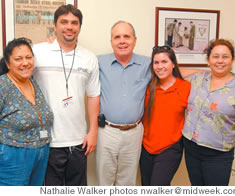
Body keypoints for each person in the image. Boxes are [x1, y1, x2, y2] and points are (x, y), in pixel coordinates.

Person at [32, 4, 100, 186]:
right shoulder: (37, 52)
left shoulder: (89, 57)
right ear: (55, 26)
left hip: (79, 141)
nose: (69, 27)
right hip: (46, 141)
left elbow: (94, 96)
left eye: (74, 23)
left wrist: (93, 131)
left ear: (79, 27)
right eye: (64, 22)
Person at [0, 37, 54, 186]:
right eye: (18, 59)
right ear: (8, 63)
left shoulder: (32, 82)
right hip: (5, 162)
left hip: (36, 160)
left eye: (28, 57)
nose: (25, 63)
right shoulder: (0, 87)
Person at [182, 39, 235, 186]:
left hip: (218, 154)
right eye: (215, 57)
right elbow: (174, 70)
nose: (220, 61)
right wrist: (204, 71)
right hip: (191, 148)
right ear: (208, 59)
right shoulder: (197, 79)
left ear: (232, 59)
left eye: (225, 57)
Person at [96, 21, 151, 186]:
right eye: (117, 37)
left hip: (134, 132)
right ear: (111, 41)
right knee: (104, 181)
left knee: (127, 182)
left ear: (135, 40)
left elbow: (173, 70)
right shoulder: (97, 62)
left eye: (126, 36)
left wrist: (209, 73)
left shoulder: (148, 64)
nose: (122, 41)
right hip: (106, 132)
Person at [140, 45, 191, 186]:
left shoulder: (186, 87)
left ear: (173, 64)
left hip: (170, 148)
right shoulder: (148, 87)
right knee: (146, 186)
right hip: (146, 147)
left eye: (164, 62)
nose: (160, 66)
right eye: (156, 63)